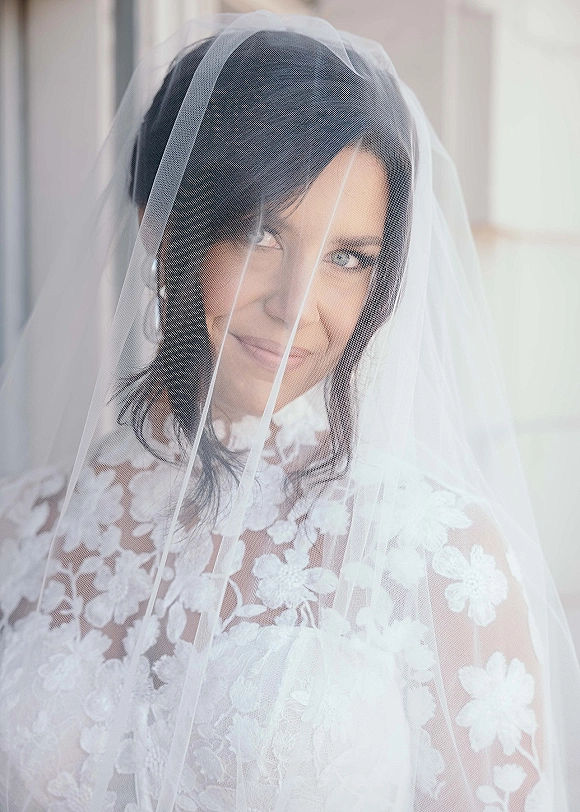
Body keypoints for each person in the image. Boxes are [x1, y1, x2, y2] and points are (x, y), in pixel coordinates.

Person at [0, 12, 578, 812]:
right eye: (261, 233)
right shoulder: (25, 530)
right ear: (163, 232)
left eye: (349, 258)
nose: (298, 308)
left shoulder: (440, 556)